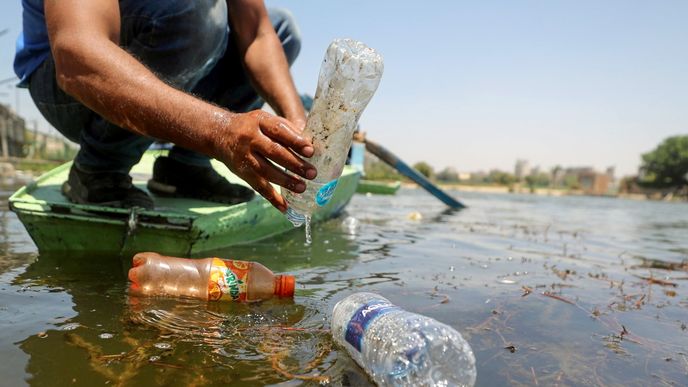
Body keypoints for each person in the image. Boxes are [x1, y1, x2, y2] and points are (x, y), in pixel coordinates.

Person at [14, 0, 317, 212]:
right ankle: (100, 168)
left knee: (279, 28)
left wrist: (299, 125)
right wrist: (220, 131)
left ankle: (186, 168)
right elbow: (76, 55)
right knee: (197, 9)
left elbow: (258, 34)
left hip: (162, 65)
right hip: (66, 84)